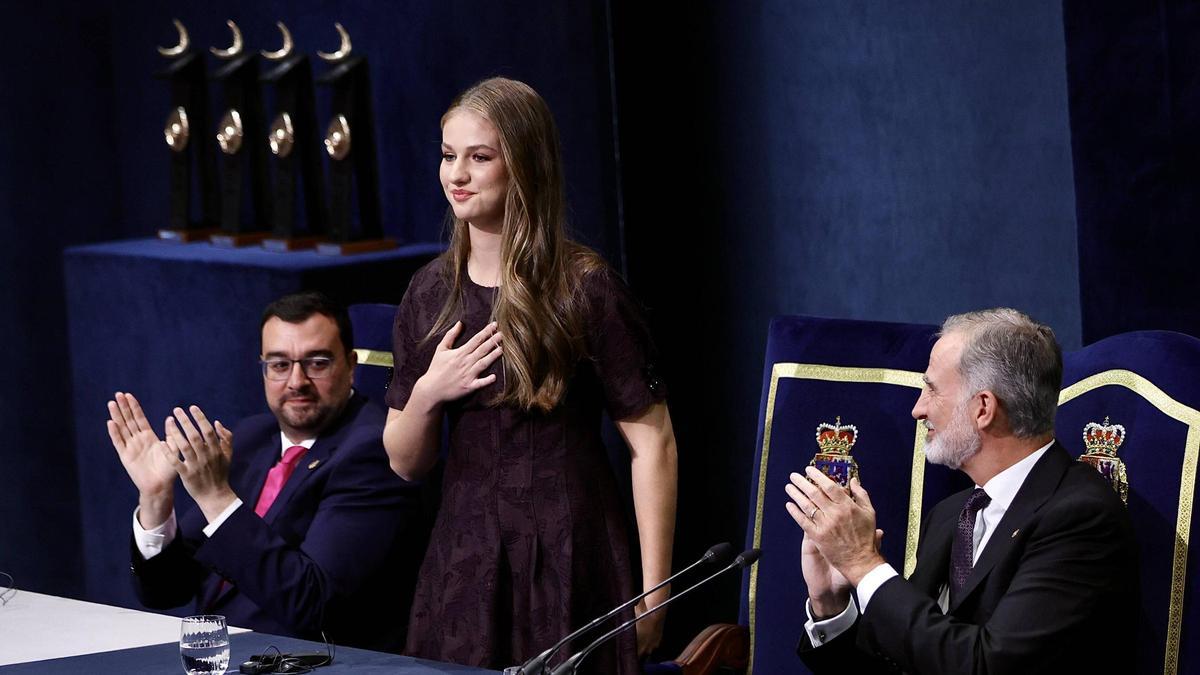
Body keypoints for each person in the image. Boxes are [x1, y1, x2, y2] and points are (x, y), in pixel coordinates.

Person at [382, 77, 678, 673]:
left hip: (570, 552)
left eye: (479, 157)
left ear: (524, 165)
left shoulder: (584, 287)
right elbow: (405, 462)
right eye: (448, 155)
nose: (457, 174)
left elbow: (655, 445)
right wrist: (430, 393)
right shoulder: (431, 292)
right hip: (466, 561)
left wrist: (654, 594)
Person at [785, 308, 1137, 674]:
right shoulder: (951, 514)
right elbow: (910, 660)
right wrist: (831, 605)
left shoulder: (1079, 517)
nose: (918, 409)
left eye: (932, 389)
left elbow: (987, 665)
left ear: (983, 408)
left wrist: (862, 563)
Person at [109, 292, 423, 651]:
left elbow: (312, 604)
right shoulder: (251, 438)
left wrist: (216, 497)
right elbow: (168, 591)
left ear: (350, 365)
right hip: (218, 656)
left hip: (307, 662)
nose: (296, 381)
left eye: (317, 363)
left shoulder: (372, 451)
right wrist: (156, 499)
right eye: (279, 364)